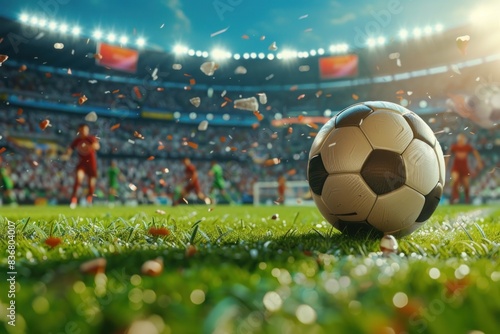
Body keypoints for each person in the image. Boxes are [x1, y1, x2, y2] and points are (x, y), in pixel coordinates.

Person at [62, 123, 100, 208]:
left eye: (85, 130)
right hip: (82, 163)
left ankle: (89, 200)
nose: (83, 132)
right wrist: (66, 155)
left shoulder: (91, 138)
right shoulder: (77, 140)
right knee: (78, 180)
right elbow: (70, 149)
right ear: (79, 131)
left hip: (92, 163)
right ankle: (73, 200)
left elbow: (97, 146)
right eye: (82, 130)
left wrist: (94, 146)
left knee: (91, 183)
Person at [445, 133, 483, 204]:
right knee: (455, 180)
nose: (461, 141)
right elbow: (448, 154)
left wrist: (479, 162)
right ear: (458, 140)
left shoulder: (467, 147)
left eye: (462, 139)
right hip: (456, 167)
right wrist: (445, 164)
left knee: (466, 184)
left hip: (465, 168)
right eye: (460, 139)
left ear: (465, 140)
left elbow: (475, 153)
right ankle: (455, 198)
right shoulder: (454, 147)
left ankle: (467, 199)